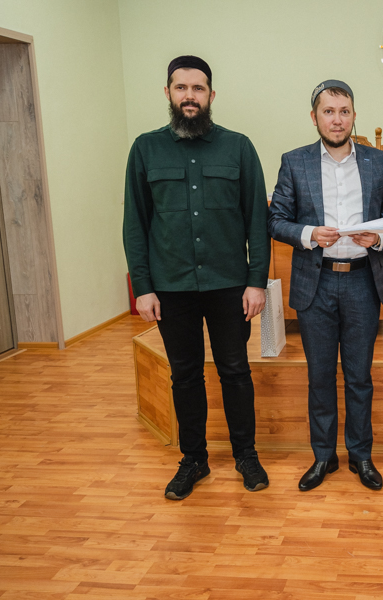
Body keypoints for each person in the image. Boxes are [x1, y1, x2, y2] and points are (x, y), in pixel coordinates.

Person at [123, 55, 270, 501]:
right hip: (171, 287)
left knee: (235, 371)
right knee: (185, 375)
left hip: (229, 284)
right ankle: (193, 459)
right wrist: (143, 288)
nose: (190, 96)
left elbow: (256, 220)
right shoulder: (145, 149)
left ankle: (246, 455)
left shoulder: (238, 147)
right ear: (168, 93)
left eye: (198, 88)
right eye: (181, 87)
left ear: (211, 95)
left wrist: (256, 281)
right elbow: (135, 224)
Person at [268, 80, 383, 492]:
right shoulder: (294, 162)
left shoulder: (378, 161)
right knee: (320, 377)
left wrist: (377, 238)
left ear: (354, 116)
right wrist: (309, 234)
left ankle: (361, 456)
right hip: (316, 283)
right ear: (314, 118)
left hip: (362, 282)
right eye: (328, 111)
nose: (337, 119)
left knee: (359, 377)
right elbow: (276, 220)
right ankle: (323, 456)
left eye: (344, 111)